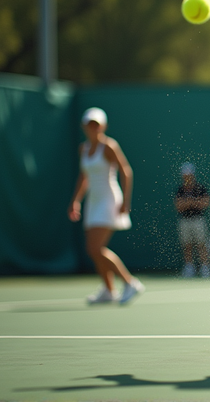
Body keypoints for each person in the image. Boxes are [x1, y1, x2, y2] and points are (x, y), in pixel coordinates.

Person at [67, 107, 143, 305]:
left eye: (97, 125)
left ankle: (130, 283)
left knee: (95, 247)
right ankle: (109, 291)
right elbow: (84, 177)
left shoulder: (109, 146)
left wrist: (126, 201)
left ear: (103, 127)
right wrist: (76, 200)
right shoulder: (83, 149)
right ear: (84, 126)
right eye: (90, 125)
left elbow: (126, 171)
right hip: (93, 201)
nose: (93, 129)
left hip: (109, 199)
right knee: (93, 249)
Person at [175, 162, 210, 278]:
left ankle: (205, 267)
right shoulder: (180, 190)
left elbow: (205, 203)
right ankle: (189, 268)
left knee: (201, 244)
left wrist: (190, 202)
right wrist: (194, 203)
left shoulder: (200, 188)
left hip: (198, 219)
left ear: (193, 175)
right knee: (187, 245)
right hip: (185, 220)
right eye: (185, 175)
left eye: (189, 175)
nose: (187, 177)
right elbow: (178, 206)